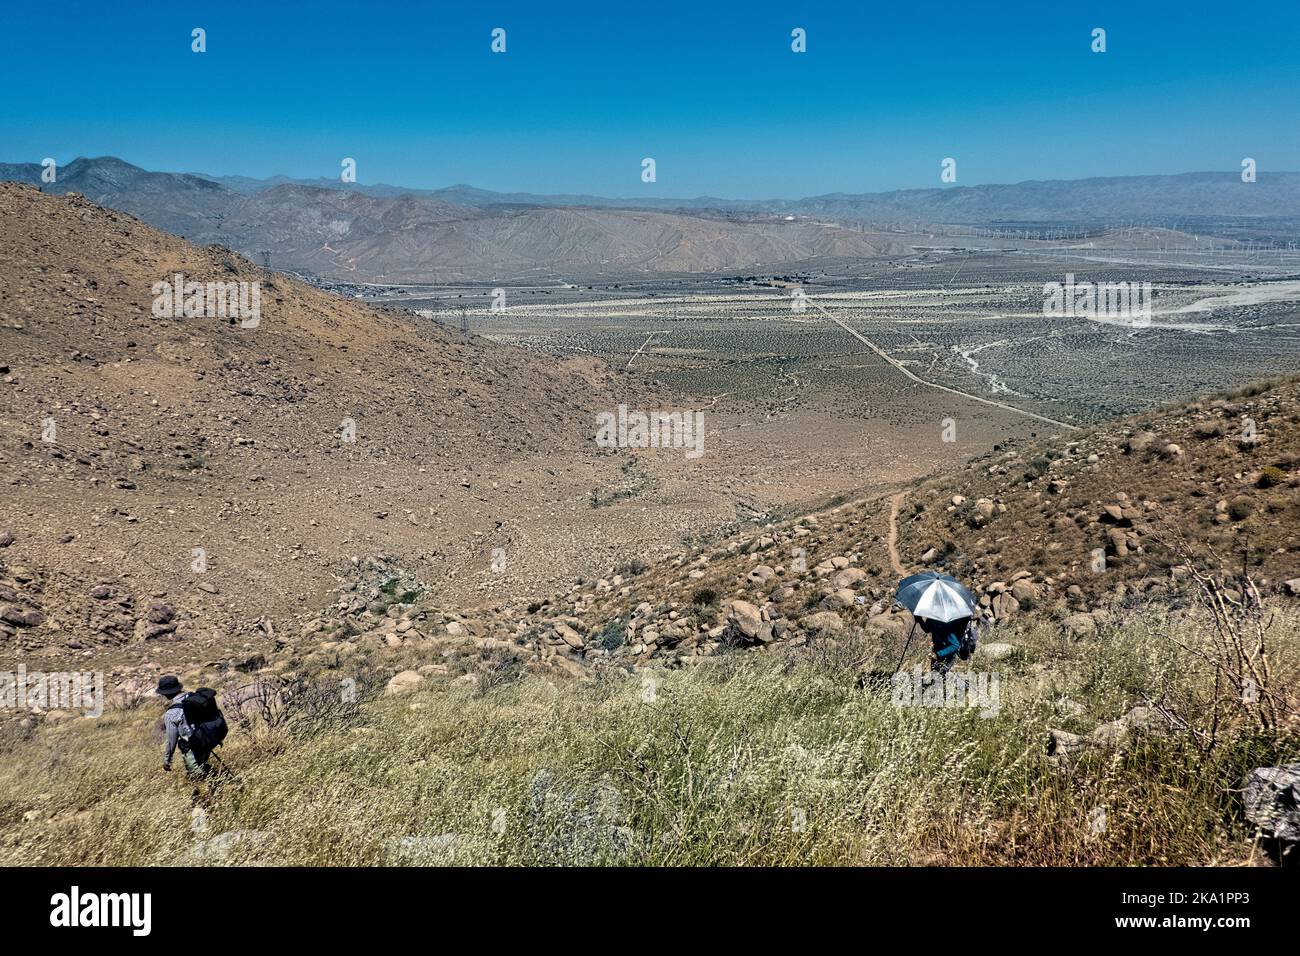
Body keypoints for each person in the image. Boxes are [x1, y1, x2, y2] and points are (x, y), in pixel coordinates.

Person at [157, 675, 210, 777]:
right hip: (206, 741)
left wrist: (167, 760)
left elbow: (171, 741)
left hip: (191, 748)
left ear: (166, 694)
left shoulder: (171, 714)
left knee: (198, 777)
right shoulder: (193, 697)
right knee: (203, 766)